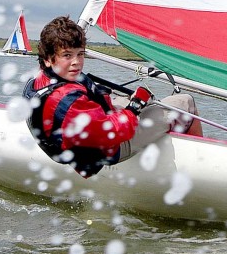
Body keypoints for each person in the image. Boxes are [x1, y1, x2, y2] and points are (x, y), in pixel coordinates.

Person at [23, 15, 203, 179]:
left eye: (80, 53)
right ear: (48, 58)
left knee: (127, 100)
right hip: (112, 148)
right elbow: (110, 133)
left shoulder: (39, 80)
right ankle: (198, 170)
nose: (76, 62)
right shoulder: (67, 100)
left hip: (81, 141)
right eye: (67, 55)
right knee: (185, 102)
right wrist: (135, 107)